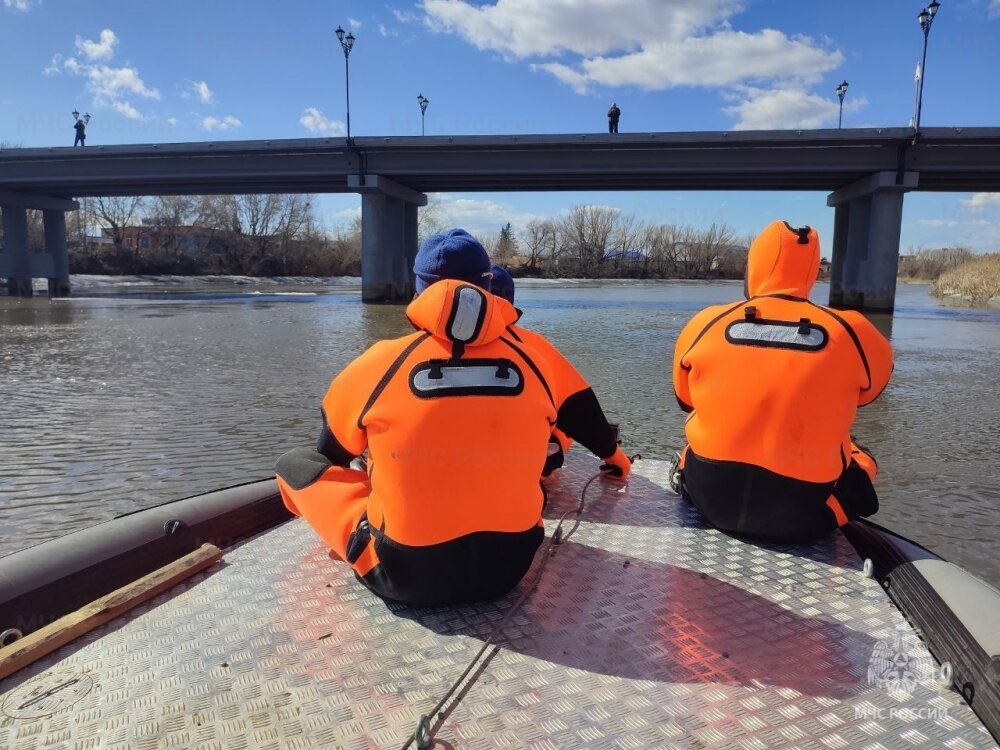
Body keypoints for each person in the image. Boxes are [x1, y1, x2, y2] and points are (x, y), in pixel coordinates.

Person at [275, 229, 626, 608]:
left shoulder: (378, 363)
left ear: (418, 288)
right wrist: (617, 461)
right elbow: (589, 421)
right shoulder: (537, 357)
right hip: (509, 570)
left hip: (406, 576)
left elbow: (331, 458)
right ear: (488, 283)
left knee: (295, 465)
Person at [671, 220, 893, 544]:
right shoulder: (854, 331)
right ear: (813, 269)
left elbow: (685, 399)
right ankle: (835, 511)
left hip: (709, 499)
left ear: (754, 266)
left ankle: (682, 472)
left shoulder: (705, 322)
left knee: (698, 427)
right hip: (801, 516)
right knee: (862, 456)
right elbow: (867, 395)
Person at [490, 264, 629, 479]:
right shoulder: (532, 344)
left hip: (440, 464)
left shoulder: (420, 345)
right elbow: (581, 409)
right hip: (517, 473)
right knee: (563, 424)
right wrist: (615, 457)